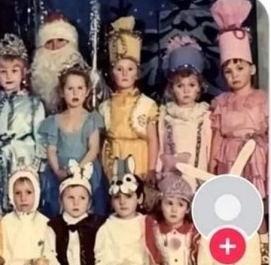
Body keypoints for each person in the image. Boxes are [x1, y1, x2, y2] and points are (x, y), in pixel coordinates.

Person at [209, 0, 268, 265]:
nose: (234, 74)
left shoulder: (263, 99)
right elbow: (216, 137)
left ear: (252, 68)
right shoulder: (221, 103)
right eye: (229, 69)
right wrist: (211, 169)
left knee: (256, 211)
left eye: (240, 67)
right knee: (232, 213)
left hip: (255, 160)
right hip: (229, 161)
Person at [0, 33, 45, 213]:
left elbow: (40, 136)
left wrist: (37, 165)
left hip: (23, 159)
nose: (9, 76)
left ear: (23, 72)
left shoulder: (34, 104)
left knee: (22, 200)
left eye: (14, 71)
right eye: (3, 71)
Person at [39, 64, 107, 219]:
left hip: (85, 168)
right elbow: (51, 149)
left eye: (80, 88)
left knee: (88, 209)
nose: (75, 93)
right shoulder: (55, 120)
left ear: (87, 92)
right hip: (62, 170)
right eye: (70, 89)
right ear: (62, 92)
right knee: (58, 209)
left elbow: (93, 149)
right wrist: (58, 171)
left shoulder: (91, 119)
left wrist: (78, 170)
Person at [99, 16, 159, 186]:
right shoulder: (104, 106)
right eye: (119, 69)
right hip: (113, 159)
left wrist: (151, 168)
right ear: (112, 73)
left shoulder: (147, 105)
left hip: (138, 158)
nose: (125, 74)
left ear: (137, 73)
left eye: (130, 69)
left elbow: (152, 140)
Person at [155, 35, 212, 193]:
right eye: (180, 86)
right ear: (172, 88)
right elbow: (161, 147)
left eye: (191, 85)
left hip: (198, 174)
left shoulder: (205, 115)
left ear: (199, 87)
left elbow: (208, 148)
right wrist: (158, 170)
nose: (186, 90)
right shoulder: (166, 115)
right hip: (173, 179)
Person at [30, 13, 88, 115]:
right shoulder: (30, 80)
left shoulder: (86, 74)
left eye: (60, 40)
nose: (55, 46)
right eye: (49, 42)